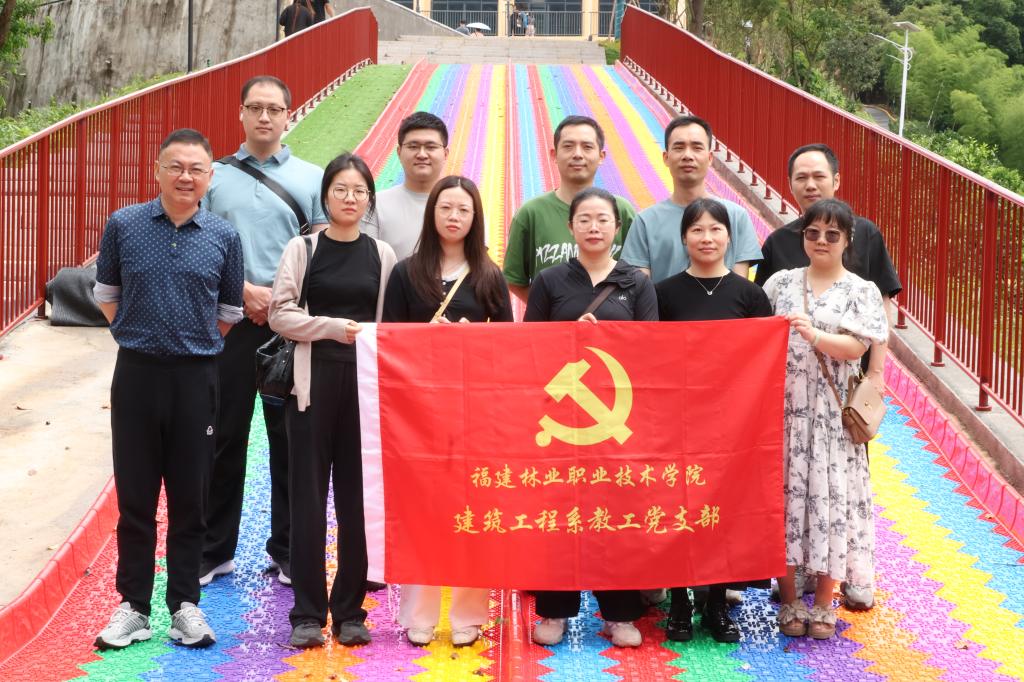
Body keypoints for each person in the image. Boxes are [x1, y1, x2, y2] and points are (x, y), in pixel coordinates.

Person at [92, 128, 244, 650]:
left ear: (210, 177)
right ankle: (133, 607)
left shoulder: (224, 236)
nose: (185, 177)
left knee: (190, 498)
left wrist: (191, 342)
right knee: (135, 498)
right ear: (157, 170)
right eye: (175, 166)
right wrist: (135, 334)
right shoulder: (125, 224)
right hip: (136, 374)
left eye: (196, 169)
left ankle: (184, 606)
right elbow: (106, 293)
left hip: (196, 378)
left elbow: (229, 311)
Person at [754, 143, 901, 610]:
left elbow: (881, 313)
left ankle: (844, 577)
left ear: (836, 179)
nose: (822, 239)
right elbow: (754, 320)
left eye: (818, 175)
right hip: (788, 401)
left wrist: (875, 374)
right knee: (791, 487)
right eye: (801, 176)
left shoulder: (867, 237)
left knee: (837, 488)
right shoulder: (778, 248)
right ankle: (793, 576)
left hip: (836, 398)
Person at [202, 75, 328, 589]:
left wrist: (278, 301)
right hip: (229, 324)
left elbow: (323, 253)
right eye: (255, 107)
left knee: (291, 441)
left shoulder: (312, 178)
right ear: (241, 113)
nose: (264, 117)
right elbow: (200, 246)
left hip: (288, 328)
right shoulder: (213, 177)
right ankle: (213, 551)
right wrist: (242, 291)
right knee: (221, 436)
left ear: (288, 116)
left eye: (274, 109)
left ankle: (289, 551)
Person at [269, 153, 396, 649]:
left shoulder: (382, 255)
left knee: (357, 503)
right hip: (310, 385)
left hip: (363, 389)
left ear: (369, 200)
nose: (349, 198)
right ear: (326, 195)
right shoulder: (303, 248)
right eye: (340, 189)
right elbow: (280, 314)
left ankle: (349, 612)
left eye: (359, 191)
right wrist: (331, 328)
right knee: (307, 501)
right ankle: (306, 613)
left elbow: (388, 326)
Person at [383, 176, 512, 647]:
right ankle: (418, 613)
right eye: (446, 208)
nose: (454, 217)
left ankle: (468, 614)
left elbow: (508, 346)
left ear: (475, 218)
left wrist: (474, 340)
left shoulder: (489, 276)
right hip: (417, 412)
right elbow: (389, 338)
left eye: (463, 210)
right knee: (421, 510)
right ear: (431, 213)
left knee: (472, 510)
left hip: (473, 411)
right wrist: (428, 340)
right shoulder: (406, 272)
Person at [524, 187, 656, 648]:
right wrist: (568, 337)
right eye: (585, 219)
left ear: (617, 227)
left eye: (603, 219)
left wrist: (610, 339)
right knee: (559, 514)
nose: (594, 227)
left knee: (616, 515)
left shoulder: (636, 282)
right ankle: (554, 610)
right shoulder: (550, 281)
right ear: (571, 227)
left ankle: (619, 614)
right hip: (561, 421)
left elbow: (651, 350)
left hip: (618, 423)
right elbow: (530, 349)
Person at [654, 198, 772, 644]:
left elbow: (763, 359)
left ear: (729, 236)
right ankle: (680, 602)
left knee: (723, 510)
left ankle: (717, 603)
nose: (707, 238)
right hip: (677, 421)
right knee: (678, 507)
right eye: (697, 230)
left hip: (732, 424)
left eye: (715, 229)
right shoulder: (663, 293)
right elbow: (645, 355)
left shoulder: (750, 296)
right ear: (684, 237)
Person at [504, 115, 636, 303]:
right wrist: (548, 308)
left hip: (611, 320)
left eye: (587, 147)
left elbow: (637, 275)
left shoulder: (622, 210)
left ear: (601, 156)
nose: (577, 154)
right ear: (554, 155)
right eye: (568, 146)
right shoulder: (531, 213)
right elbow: (514, 279)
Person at [621, 115, 762, 283]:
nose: (688, 155)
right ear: (666, 158)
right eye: (679, 148)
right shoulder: (645, 222)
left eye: (697, 147)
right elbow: (640, 288)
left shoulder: (736, 216)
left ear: (710, 158)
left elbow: (741, 286)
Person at [362, 112, 450, 261]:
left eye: (431, 147)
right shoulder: (375, 205)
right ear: (399, 152)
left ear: (445, 154)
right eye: (413, 146)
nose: (422, 154)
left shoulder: (464, 205)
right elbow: (367, 262)